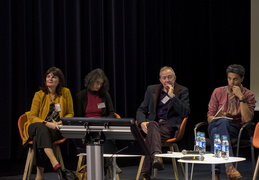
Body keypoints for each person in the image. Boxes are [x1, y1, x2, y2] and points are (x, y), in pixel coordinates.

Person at [136, 66, 191, 180]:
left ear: (174, 78)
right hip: (153, 126)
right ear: (160, 80)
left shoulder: (182, 90)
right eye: (164, 78)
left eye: (169, 77)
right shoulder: (152, 90)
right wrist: (141, 123)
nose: (167, 80)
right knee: (152, 125)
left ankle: (145, 174)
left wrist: (172, 97)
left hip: (169, 127)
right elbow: (141, 109)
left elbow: (185, 112)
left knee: (151, 132)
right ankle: (156, 156)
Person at [22, 67, 74, 180]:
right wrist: (46, 123)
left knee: (39, 138)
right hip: (35, 125)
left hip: (54, 129)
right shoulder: (39, 94)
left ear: (59, 80)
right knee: (41, 129)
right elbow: (32, 116)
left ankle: (39, 176)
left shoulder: (66, 92)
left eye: (54, 77)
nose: (50, 79)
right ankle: (54, 162)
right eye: (48, 76)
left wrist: (62, 121)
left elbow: (70, 113)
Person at [207, 64, 256, 180]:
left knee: (216, 133)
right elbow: (209, 118)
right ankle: (229, 167)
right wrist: (220, 116)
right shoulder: (218, 92)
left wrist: (241, 97)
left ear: (242, 79)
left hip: (234, 129)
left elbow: (247, 119)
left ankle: (215, 174)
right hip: (216, 123)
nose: (232, 82)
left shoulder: (249, 95)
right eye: (229, 78)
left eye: (235, 79)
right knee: (221, 122)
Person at [74, 68, 122, 174]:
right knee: (96, 136)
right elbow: (78, 116)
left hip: (103, 126)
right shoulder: (81, 96)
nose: (99, 86)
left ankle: (109, 161)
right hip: (86, 127)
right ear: (90, 81)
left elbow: (111, 112)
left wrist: (104, 122)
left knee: (103, 134)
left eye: (101, 83)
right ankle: (110, 162)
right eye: (97, 83)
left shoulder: (105, 95)